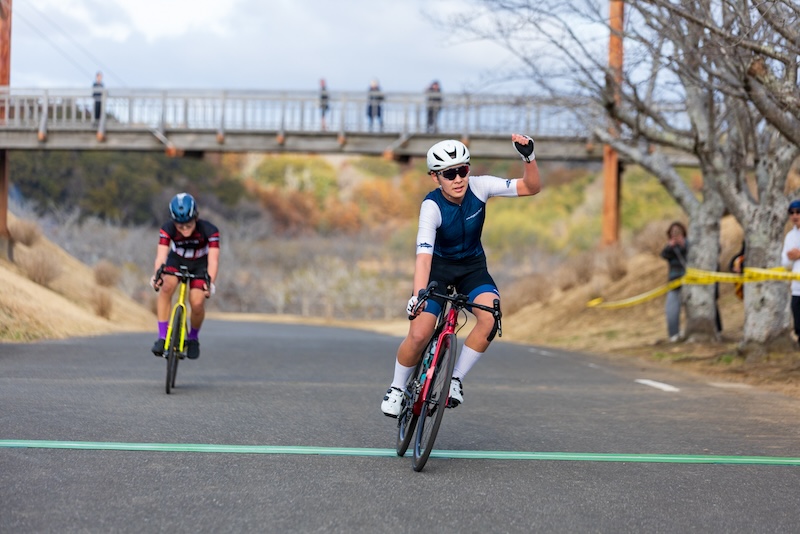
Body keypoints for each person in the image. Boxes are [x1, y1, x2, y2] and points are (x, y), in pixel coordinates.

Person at [380, 134, 541, 417]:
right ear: (435, 178)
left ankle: (454, 380)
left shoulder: (481, 186)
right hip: (438, 271)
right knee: (419, 333)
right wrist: (418, 295)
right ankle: (396, 388)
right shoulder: (431, 207)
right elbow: (423, 257)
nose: (458, 178)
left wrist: (528, 158)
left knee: (491, 316)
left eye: (463, 170)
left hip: (472, 268)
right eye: (449, 173)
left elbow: (531, 187)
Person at [150, 193, 220, 360]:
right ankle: (162, 336)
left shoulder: (210, 231)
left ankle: (193, 338)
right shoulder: (167, 229)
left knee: (196, 302)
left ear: (195, 217)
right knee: (166, 287)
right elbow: (161, 256)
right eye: (180, 226)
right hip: (177, 260)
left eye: (188, 225)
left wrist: (210, 283)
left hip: (200, 264)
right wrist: (158, 274)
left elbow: (213, 260)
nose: (184, 229)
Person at [660, 222, 688, 342]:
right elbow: (664, 255)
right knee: (671, 309)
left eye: (678, 231)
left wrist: (683, 244)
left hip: (689, 281)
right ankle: (674, 334)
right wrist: (670, 246)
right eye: (673, 232)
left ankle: (687, 331)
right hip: (674, 281)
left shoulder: (690, 244)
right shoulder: (670, 248)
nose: (675, 234)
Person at [781, 200, 800, 347]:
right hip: (796, 289)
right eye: (792, 213)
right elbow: (784, 263)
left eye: (798, 212)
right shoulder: (790, 236)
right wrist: (790, 257)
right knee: (798, 328)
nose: (795, 215)